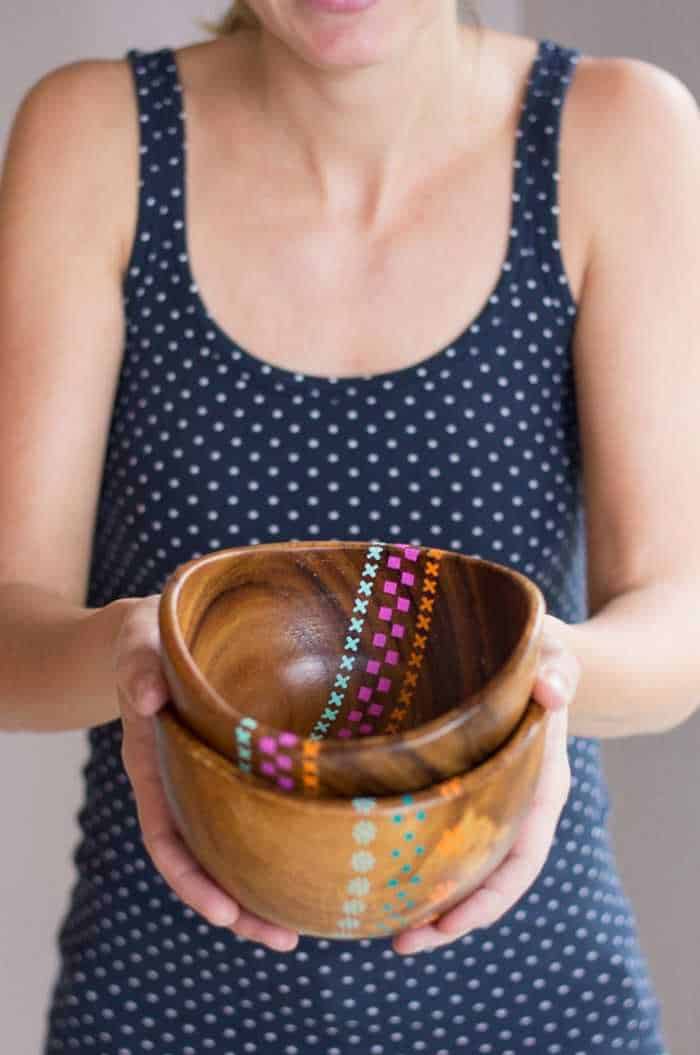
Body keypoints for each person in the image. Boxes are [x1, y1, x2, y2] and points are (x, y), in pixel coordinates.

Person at [0, 0, 697, 1051]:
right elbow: (8, 630)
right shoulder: (91, 135)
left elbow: (678, 615)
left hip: (532, 1004)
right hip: (164, 1004)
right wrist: (133, 653)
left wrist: (540, 676)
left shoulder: (618, 130)